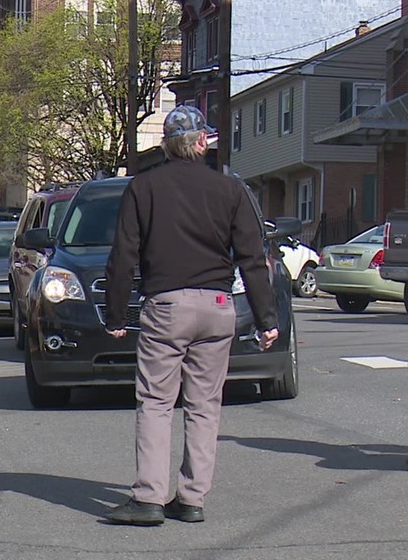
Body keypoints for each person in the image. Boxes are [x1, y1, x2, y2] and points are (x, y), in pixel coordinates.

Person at [103, 105, 279, 526]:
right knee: (204, 405)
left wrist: (115, 314)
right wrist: (266, 318)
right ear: (202, 141)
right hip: (217, 308)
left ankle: (148, 497)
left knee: (157, 402)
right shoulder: (230, 191)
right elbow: (253, 258)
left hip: (167, 306)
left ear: (166, 145)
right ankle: (192, 498)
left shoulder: (143, 188)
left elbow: (124, 254)